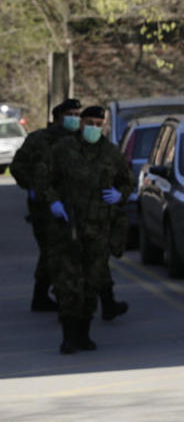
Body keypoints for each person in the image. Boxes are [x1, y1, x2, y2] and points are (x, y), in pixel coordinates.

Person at [35, 105, 133, 354]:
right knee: (68, 285)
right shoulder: (63, 149)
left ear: (104, 126)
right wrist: (53, 201)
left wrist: (119, 195)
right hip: (67, 230)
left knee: (92, 284)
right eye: (88, 122)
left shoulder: (111, 154)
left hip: (98, 230)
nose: (93, 128)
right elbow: (43, 178)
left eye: (98, 124)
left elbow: (127, 180)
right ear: (81, 123)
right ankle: (68, 337)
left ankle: (84, 335)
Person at [10, 98, 81, 311]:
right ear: (58, 117)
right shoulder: (39, 139)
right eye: (71, 115)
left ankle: (59, 294)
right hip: (44, 207)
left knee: (71, 251)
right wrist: (32, 186)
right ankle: (46, 295)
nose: (75, 119)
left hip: (74, 205)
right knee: (52, 251)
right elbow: (18, 167)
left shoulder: (81, 140)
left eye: (78, 115)